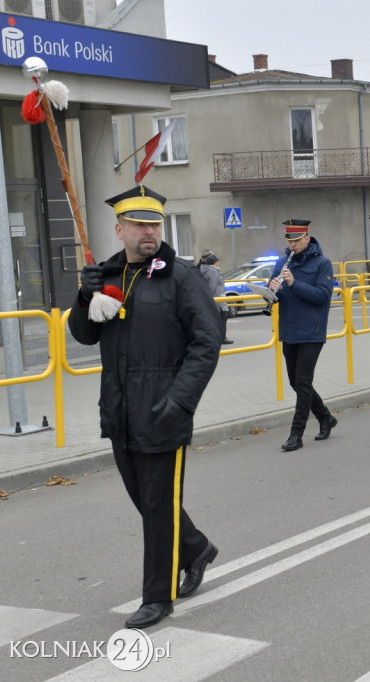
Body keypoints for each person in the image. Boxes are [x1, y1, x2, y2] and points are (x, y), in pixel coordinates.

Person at [68, 185, 221, 629]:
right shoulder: (108, 274)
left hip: (164, 412)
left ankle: (158, 596)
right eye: (138, 224)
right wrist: (84, 297)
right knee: (146, 499)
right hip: (119, 412)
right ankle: (196, 549)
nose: (148, 231)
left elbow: (206, 343)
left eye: (154, 223)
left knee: (156, 506)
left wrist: (180, 399)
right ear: (120, 229)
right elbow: (85, 336)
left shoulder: (181, 278)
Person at [270, 219, 337, 451]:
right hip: (289, 330)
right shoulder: (281, 262)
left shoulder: (323, 264)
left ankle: (296, 434)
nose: (292, 245)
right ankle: (326, 417)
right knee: (296, 382)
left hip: (312, 331)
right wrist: (270, 291)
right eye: (289, 241)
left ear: (307, 238)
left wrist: (293, 283)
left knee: (303, 381)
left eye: (296, 241)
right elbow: (278, 296)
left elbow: (322, 296)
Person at [198, 250, 233, 344]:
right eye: (218, 261)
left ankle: (219, 337)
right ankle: (222, 337)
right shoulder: (212, 271)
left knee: (219, 318)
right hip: (218, 300)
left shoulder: (203, 268)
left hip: (216, 300)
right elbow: (212, 286)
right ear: (214, 262)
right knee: (222, 318)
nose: (219, 263)